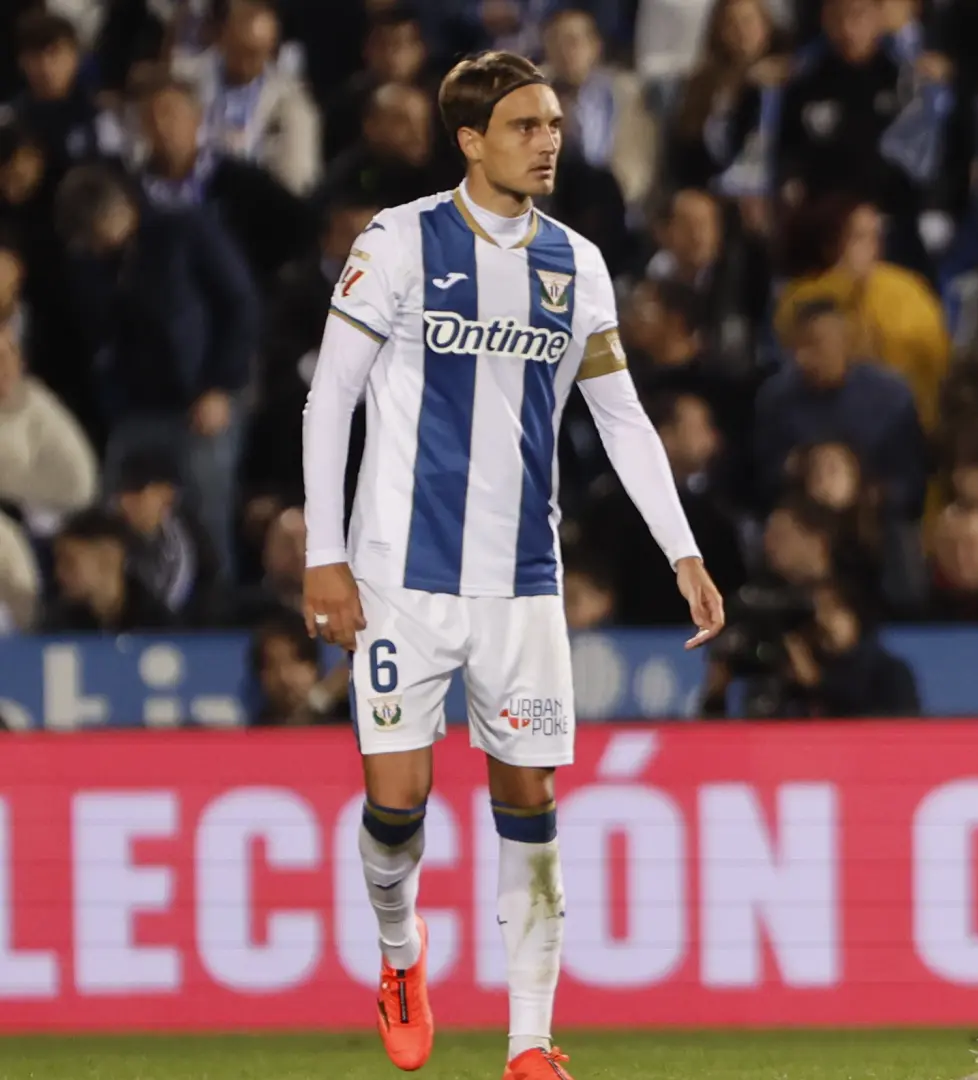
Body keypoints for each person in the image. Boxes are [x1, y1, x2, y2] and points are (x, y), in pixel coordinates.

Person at [300, 51, 726, 1080]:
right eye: (527, 125)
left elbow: (622, 419)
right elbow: (331, 401)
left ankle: (530, 1043)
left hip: (524, 581)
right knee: (395, 810)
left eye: (553, 125)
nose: (549, 141)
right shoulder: (397, 242)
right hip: (399, 575)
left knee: (528, 801)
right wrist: (323, 556)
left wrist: (684, 550)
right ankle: (402, 956)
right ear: (471, 140)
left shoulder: (576, 262)